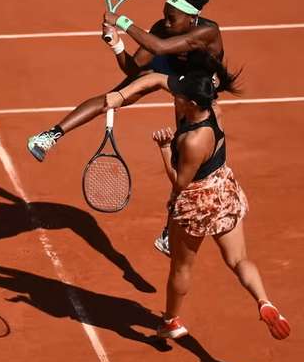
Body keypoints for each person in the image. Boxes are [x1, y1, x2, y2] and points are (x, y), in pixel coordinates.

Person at [105, 64, 292, 341]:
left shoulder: (192, 141)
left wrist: (165, 148)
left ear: (191, 103)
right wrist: (122, 95)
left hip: (197, 204)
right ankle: (264, 301)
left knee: (181, 268)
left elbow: (180, 182)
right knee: (239, 259)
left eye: (179, 96)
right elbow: (162, 80)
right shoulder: (215, 110)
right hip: (225, 192)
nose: (175, 97)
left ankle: (170, 321)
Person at [26, 0, 224, 164]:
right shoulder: (163, 28)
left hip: (197, 86)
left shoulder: (207, 32)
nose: (166, 23)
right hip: (171, 73)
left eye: (172, 19)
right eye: (164, 15)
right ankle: (49, 136)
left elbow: (158, 47)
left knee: (190, 149)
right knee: (114, 97)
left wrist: (121, 20)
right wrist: (116, 44)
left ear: (192, 19)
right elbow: (131, 68)